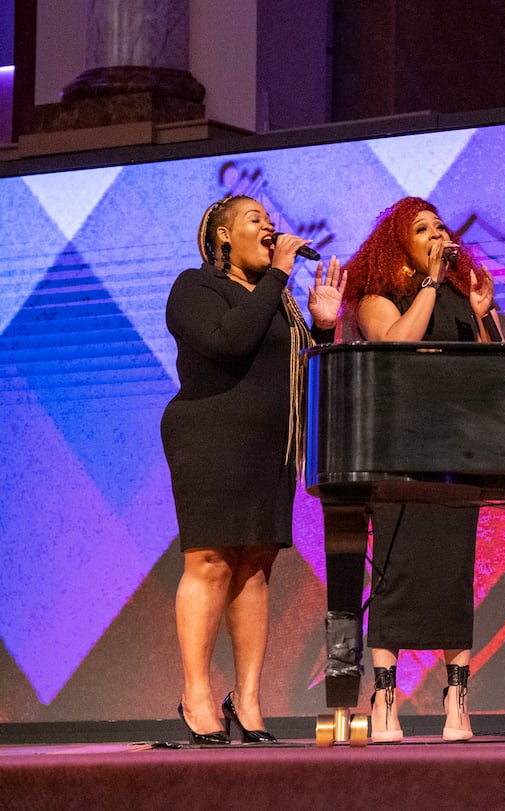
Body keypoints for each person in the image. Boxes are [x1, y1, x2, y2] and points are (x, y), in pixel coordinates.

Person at [163, 195, 344, 744]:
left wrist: (324, 329)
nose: (270, 228)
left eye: (271, 221)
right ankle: (196, 696)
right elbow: (230, 342)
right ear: (222, 238)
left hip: (270, 445)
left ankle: (248, 700)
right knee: (213, 560)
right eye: (254, 221)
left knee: (255, 568)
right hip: (210, 438)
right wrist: (281, 277)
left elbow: (296, 376)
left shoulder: (280, 303)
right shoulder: (195, 288)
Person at [341, 196, 500, 743]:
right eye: (422, 228)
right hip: (401, 451)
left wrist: (482, 315)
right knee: (394, 570)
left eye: (440, 225)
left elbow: (490, 372)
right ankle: (384, 699)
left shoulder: (458, 297)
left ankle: (457, 698)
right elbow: (396, 348)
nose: (437, 234)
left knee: (454, 574)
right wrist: (431, 286)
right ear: (398, 244)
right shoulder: (377, 296)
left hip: (455, 451)